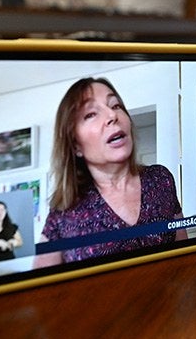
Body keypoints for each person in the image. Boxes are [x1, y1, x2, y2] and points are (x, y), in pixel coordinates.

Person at [34, 77, 186, 266]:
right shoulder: (64, 210)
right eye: (90, 114)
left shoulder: (160, 179)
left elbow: (185, 259)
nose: (112, 116)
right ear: (75, 145)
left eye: (115, 106)